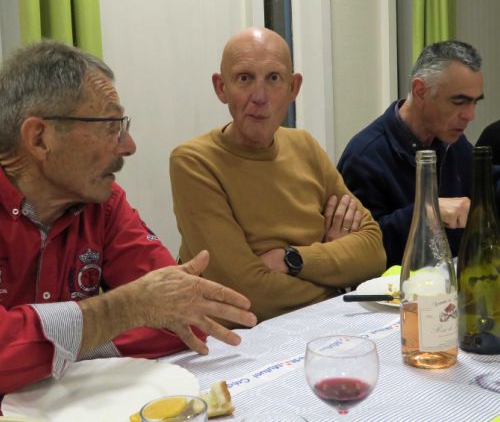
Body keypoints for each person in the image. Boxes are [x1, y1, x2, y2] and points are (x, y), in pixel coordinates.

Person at [0, 41, 257, 395]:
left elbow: (184, 316)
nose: (128, 145)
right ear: (40, 138)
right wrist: (122, 311)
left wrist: (54, 347)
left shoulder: (102, 204)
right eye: (110, 126)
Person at [169, 27, 386, 324]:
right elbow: (245, 293)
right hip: (244, 339)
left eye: (273, 78)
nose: (260, 96)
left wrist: (291, 260)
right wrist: (335, 279)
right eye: (244, 78)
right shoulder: (194, 162)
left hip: (321, 327)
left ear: (293, 88)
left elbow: (374, 252)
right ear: (221, 88)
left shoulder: (305, 146)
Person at [338, 40, 495, 268]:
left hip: (451, 278)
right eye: (459, 102)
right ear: (420, 91)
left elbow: (488, 186)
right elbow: (358, 249)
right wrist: (427, 213)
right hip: (396, 287)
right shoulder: (365, 156)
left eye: (474, 102)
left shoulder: (452, 142)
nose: (470, 115)